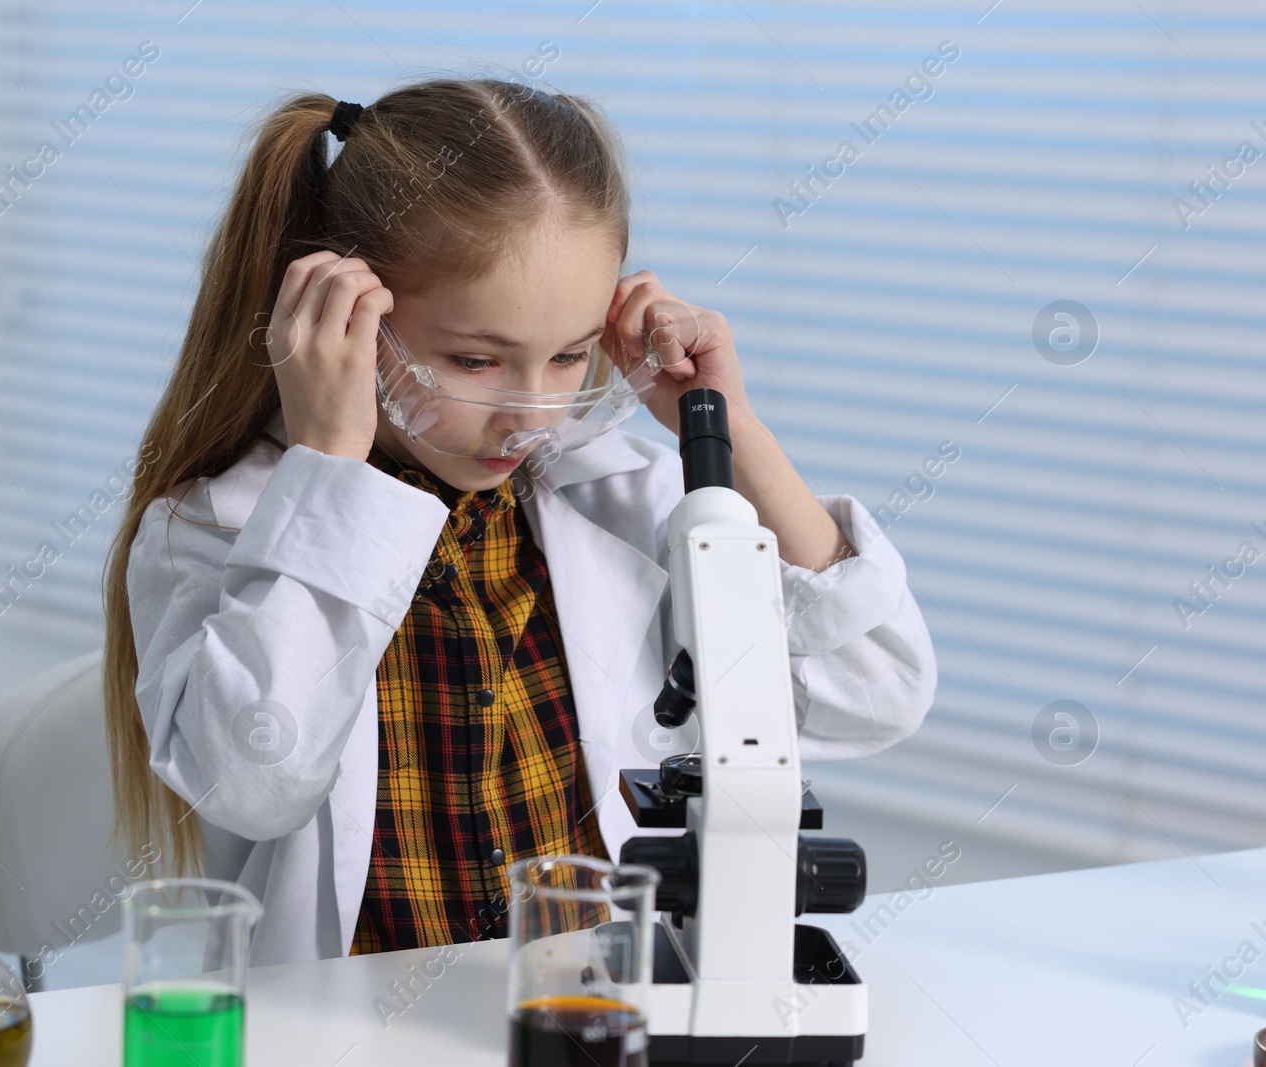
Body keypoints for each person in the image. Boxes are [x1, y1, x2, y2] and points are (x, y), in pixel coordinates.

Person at [101, 76, 936, 965]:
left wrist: (732, 434)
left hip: (589, 1006)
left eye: (571, 353)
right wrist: (329, 470)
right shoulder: (216, 523)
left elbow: (877, 689)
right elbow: (252, 782)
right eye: (475, 359)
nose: (532, 412)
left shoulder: (618, 497)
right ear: (347, 317)